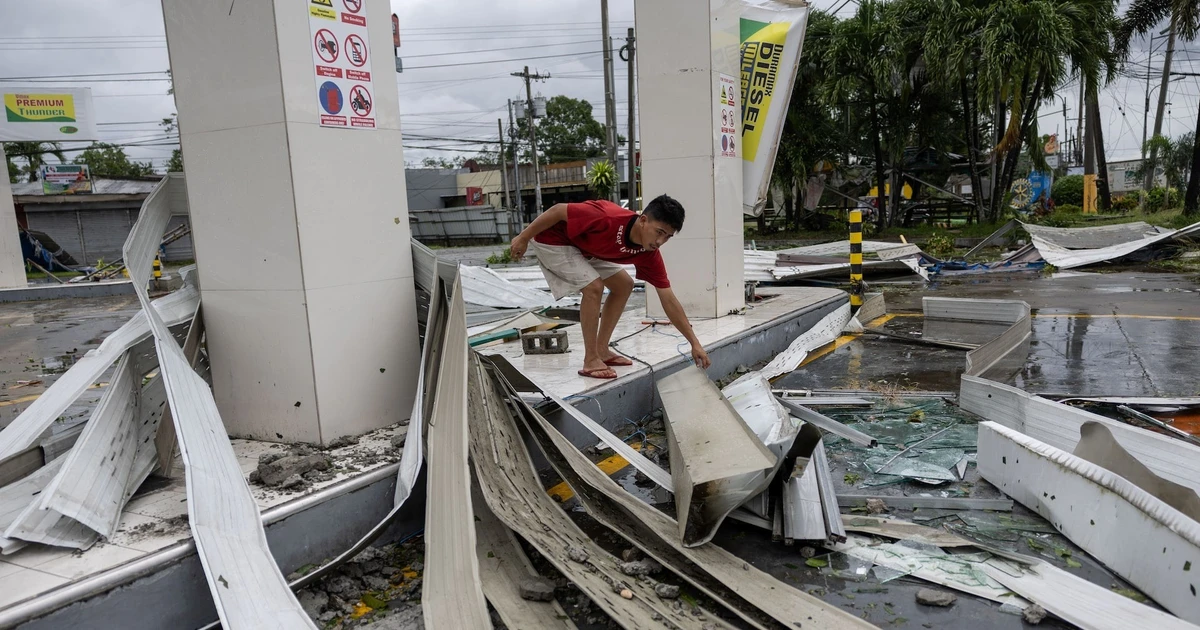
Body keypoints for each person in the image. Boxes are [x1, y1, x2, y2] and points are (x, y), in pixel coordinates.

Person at [509, 194, 711, 380]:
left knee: (624, 284)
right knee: (593, 287)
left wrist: (694, 343)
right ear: (643, 220)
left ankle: (602, 349)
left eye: (667, 236)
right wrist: (523, 238)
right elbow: (558, 210)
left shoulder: (649, 253)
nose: (660, 241)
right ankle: (590, 359)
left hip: (583, 248)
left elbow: (668, 298)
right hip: (553, 240)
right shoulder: (607, 217)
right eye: (659, 232)